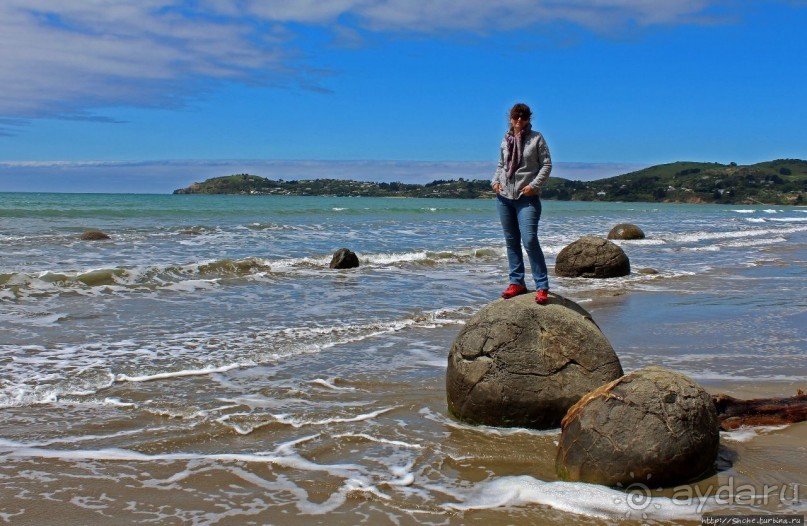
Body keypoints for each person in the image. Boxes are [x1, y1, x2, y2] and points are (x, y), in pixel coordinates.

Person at [492, 102, 552, 305]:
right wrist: (495, 181)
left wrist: (534, 185)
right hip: (504, 198)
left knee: (529, 240)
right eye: (516, 116)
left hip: (527, 198)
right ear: (510, 118)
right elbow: (501, 165)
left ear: (528, 119)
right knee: (511, 242)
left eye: (523, 117)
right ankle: (516, 282)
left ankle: (542, 286)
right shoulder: (506, 139)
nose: (519, 120)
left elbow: (546, 164)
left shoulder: (536, 138)